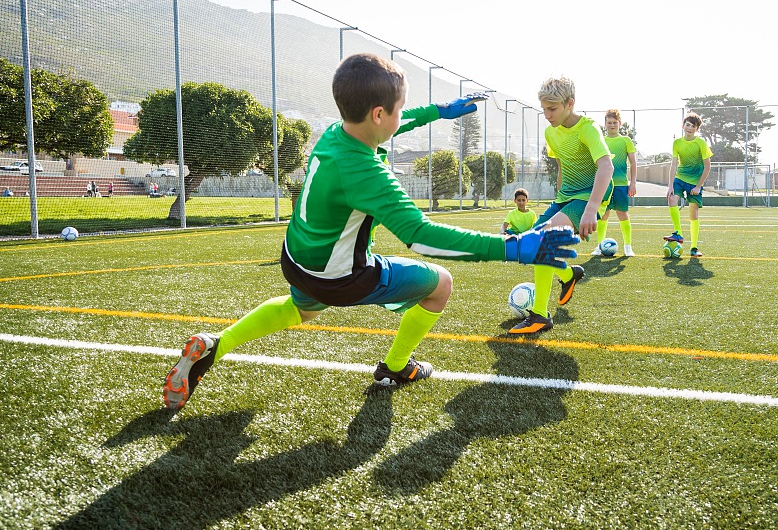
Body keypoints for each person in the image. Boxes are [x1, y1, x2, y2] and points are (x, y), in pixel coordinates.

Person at [163, 53, 579, 411]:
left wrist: (438, 111)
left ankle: (217, 343)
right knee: (440, 285)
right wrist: (516, 248)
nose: (401, 116)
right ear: (379, 114)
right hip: (340, 277)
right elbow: (421, 236)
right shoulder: (369, 173)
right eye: (399, 109)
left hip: (296, 259)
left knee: (301, 310)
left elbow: (393, 124)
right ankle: (396, 366)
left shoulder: (332, 133)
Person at [509, 76, 613, 334]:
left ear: (570, 103)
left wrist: (591, 209)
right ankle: (568, 276)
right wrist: (558, 200)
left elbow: (606, 166)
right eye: (543, 109)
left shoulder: (588, 129)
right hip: (566, 196)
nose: (547, 115)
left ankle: (540, 316)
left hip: (589, 197)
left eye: (552, 109)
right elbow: (563, 165)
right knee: (531, 240)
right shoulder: (550, 132)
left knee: (543, 238)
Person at [663, 111, 713, 258]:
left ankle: (694, 247)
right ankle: (678, 233)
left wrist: (698, 186)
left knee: (693, 213)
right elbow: (673, 165)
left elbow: (708, 166)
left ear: (697, 129)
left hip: (694, 182)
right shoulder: (677, 143)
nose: (690, 128)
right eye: (688, 125)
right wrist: (670, 185)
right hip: (680, 178)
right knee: (672, 199)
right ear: (683, 125)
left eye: (693, 126)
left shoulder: (701, 143)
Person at [590, 109, 637, 257]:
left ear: (619, 123)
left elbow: (633, 163)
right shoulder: (600, 140)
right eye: (609, 123)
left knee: (623, 214)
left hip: (621, 184)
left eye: (614, 122)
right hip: (604, 185)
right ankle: (599, 246)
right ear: (605, 124)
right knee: (603, 215)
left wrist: (633, 183)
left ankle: (628, 247)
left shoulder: (626, 140)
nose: (612, 125)